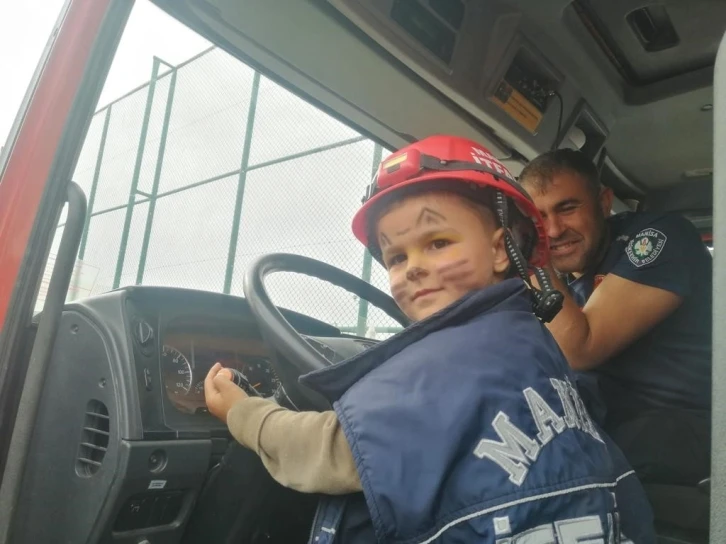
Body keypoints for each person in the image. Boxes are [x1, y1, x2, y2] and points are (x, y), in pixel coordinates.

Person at [205, 135, 655, 543]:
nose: (413, 266)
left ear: (501, 249)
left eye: (437, 242)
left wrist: (244, 413)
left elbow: (326, 453)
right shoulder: (530, 343)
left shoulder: (441, 368)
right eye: (396, 256)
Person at [519, 149, 712, 487]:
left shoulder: (658, 238)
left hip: (688, 423)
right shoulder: (569, 280)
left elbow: (581, 347)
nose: (552, 230)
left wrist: (531, 256)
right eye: (537, 217)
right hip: (614, 419)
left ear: (604, 202)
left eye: (567, 208)